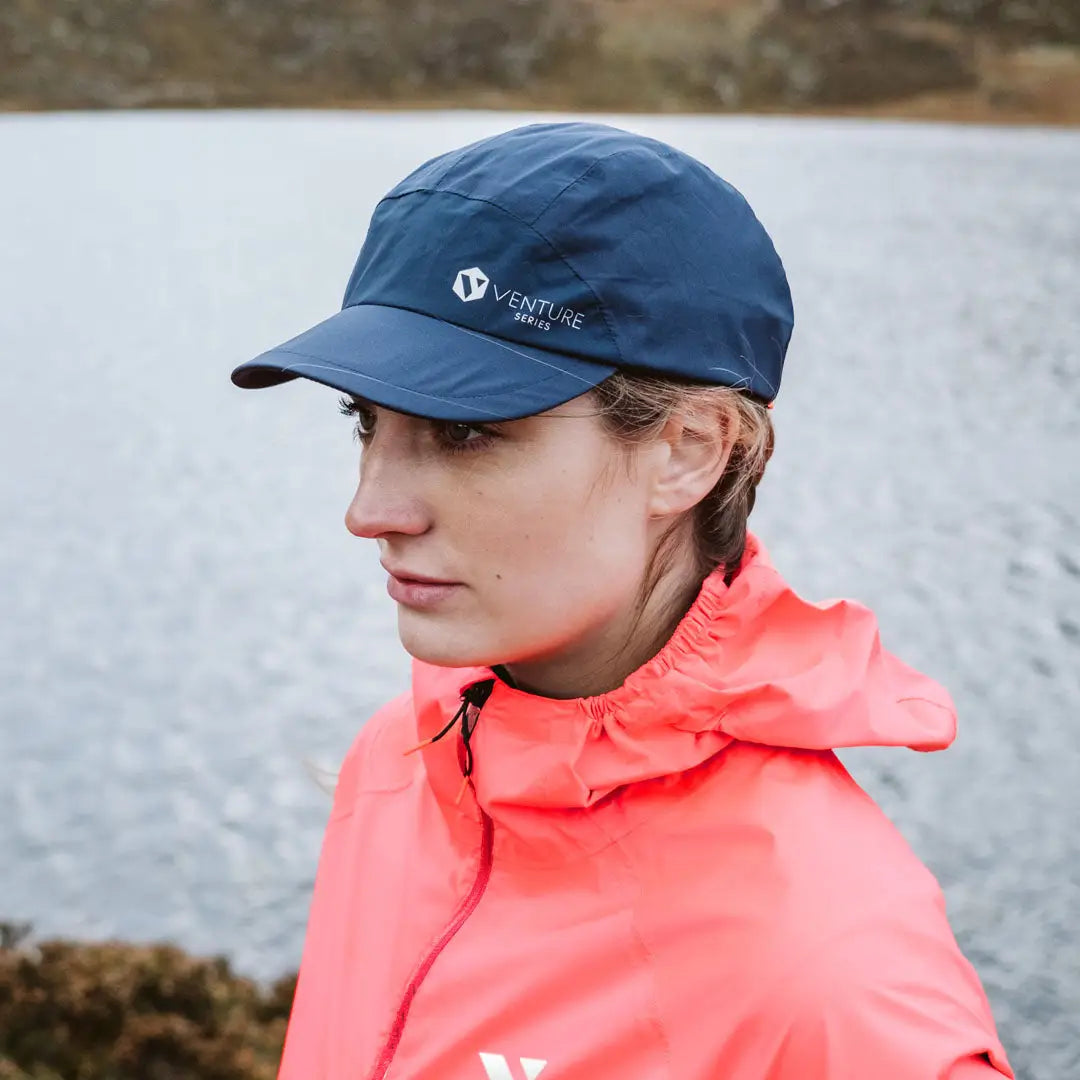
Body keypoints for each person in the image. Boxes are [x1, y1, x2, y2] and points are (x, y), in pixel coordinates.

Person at [231, 121, 1013, 1079]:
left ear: (688, 449)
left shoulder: (833, 986)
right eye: (367, 421)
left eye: (468, 432)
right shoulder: (402, 762)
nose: (369, 510)